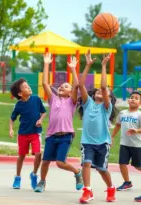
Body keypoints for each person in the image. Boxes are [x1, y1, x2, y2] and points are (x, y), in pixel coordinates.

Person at [34, 53, 83, 192]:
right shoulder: (53, 99)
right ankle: (42, 182)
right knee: (45, 162)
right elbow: (44, 83)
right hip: (51, 135)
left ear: (70, 92)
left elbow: (76, 86)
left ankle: (77, 172)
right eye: (61, 86)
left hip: (65, 136)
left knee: (60, 163)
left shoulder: (71, 102)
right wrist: (46, 64)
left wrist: (73, 69)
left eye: (66, 86)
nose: (62, 87)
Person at [77, 50, 118, 203]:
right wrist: (87, 65)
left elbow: (103, 85)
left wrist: (103, 66)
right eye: (98, 91)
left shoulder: (106, 107)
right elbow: (80, 84)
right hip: (87, 142)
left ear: (109, 97)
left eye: (105, 91)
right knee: (86, 164)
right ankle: (87, 191)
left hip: (102, 143)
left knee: (102, 169)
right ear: (93, 95)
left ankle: (111, 188)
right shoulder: (88, 104)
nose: (101, 90)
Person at [111, 91, 141, 191]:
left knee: (137, 165)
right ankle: (127, 182)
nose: (133, 99)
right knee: (122, 163)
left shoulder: (140, 115)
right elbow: (118, 125)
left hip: (137, 145)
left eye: (136, 98)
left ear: (140, 103)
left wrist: (136, 130)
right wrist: (112, 136)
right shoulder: (122, 113)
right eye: (131, 97)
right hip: (124, 144)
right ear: (128, 100)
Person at [9, 78, 47, 190]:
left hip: (35, 132)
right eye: (25, 87)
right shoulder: (18, 105)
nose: (29, 87)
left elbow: (44, 112)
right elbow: (12, 118)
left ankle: (34, 174)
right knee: (21, 156)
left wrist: (40, 120)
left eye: (28, 85)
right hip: (23, 134)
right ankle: (17, 177)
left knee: (38, 154)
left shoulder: (36, 99)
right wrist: (11, 129)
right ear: (20, 93)